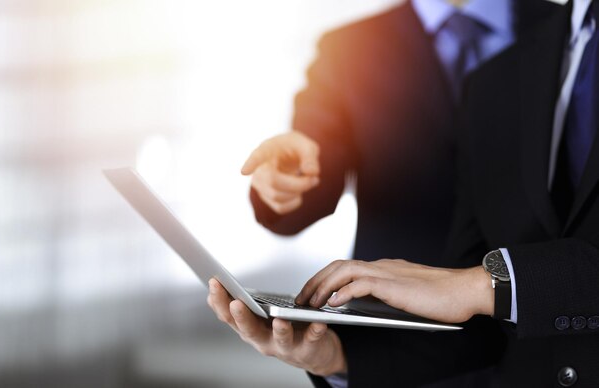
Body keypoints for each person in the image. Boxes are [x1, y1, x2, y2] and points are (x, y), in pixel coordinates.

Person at [208, 0, 559, 387]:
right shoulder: (349, 48)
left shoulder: (570, 30)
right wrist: (283, 183)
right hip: (395, 350)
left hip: (550, 336)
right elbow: (312, 163)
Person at [292, 0, 599, 386]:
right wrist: (339, 356)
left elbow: (477, 290)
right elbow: (484, 325)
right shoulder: (497, 79)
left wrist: (483, 285)